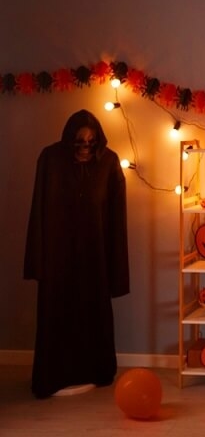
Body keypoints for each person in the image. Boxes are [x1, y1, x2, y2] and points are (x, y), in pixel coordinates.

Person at [24, 109, 130, 399]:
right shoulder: (50, 160)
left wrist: (114, 267)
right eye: (79, 143)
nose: (85, 148)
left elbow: (116, 218)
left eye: (90, 143)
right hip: (56, 254)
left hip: (94, 255)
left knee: (91, 313)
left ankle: (94, 370)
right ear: (68, 141)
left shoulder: (108, 163)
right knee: (56, 316)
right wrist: (38, 260)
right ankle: (54, 375)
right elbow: (39, 210)